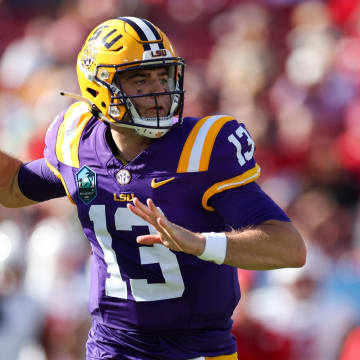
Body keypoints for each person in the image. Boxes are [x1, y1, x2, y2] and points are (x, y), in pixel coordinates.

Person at [0, 17, 306, 360]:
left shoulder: (204, 149)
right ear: (100, 88)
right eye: (140, 80)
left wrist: (202, 244)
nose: (160, 91)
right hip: (112, 347)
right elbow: (13, 187)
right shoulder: (77, 143)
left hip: (198, 352)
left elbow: (289, 248)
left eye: (164, 76)